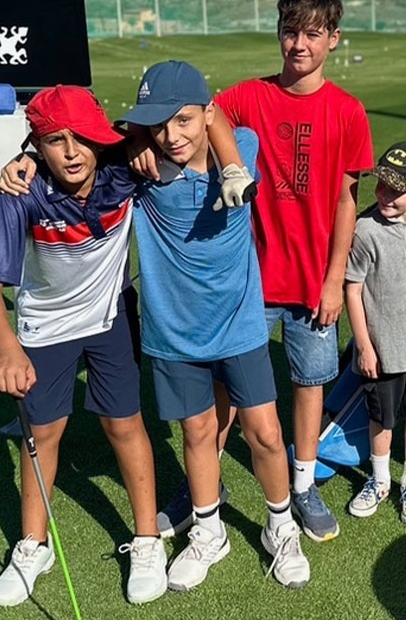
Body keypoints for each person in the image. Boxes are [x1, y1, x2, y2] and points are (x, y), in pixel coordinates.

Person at [131, 0, 374, 542]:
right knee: (223, 390)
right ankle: (200, 488)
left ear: (333, 39)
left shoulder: (348, 111)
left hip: (315, 280)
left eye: (313, 34)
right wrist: (140, 137)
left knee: (309, 383)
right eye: (290, 32)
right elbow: (197, 111)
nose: (299, 45)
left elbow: (346, 201)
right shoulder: (248, 96)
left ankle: (304, 481)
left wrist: (335, 279)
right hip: (248, 283)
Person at [0, 85, 166, 607]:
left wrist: (143, 139)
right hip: (45, 330)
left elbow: (185, 131)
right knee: (42, 433)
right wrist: (7, 348)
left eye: (82, 138)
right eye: (55, 141)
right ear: (38, 144)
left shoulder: (123, 169)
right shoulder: (23, 192)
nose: (72, 151)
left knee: (125, 425)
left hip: (110, 321)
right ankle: (34, 545)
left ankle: (147, 539)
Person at [121, 61, 310, 591]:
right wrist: (135, 134)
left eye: (182, 121)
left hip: (240, 325)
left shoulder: (242, 149)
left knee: (266, 434)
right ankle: (209, 533)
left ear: (204, 115)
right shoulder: (140, 167)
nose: (171, 136)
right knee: (198, 432)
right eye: (158, 125)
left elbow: (222, 116)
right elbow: (81, 144)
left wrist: (228, 166)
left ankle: (280, 527)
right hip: (174, 333)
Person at [344, 141, 406, 526]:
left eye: (396, 189)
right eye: (381, 185)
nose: (384, 195)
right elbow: (351, 289)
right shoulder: (366, 229)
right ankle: (380, 478)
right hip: (383, 349)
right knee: (381, 418)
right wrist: (365, 347)